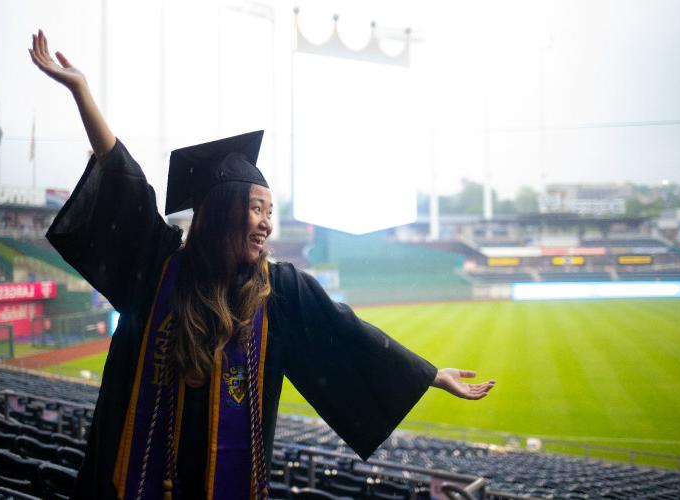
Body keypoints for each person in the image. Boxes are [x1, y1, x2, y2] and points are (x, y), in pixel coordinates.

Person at [29, 29, 496, 500]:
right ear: (224, 211)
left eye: (270, 212)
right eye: (256, 208)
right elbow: (122, 179)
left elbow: (346, 331)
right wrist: (82, 92)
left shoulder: (280, 291)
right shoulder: (159, 265)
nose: (266, 224)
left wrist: (428, 374)